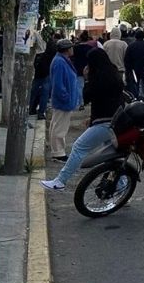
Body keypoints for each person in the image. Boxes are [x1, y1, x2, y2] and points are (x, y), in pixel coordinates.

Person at [40, 49, 126, 191]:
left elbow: (86, 97)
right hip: (115, 121)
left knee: (79, 147)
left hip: (105, 123)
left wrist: (87, 78)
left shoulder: (98, 78)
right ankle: (122, 188)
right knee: (112, 156)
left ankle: (60, 181)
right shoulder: (114, 74)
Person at [49, 39, 81, 161]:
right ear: (67, 49)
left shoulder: (62, 61)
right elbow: (58, 84)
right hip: (63, 101)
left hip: (65, 99)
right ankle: (58, 152)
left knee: (58, 125)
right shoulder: (59, 62)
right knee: (59, 127)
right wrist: (65, 96)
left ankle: (58, 150)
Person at [29, 37, 58, 120]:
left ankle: (31, 109)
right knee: (44, 95)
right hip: (47, 76)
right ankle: (41, 112)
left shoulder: (41, 55)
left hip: (38, 76)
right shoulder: (54, 56)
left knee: (34, 93)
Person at [124, 28, 144, 98]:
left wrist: (129, 69)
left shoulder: (131, 46)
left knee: (135, 85)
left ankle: (136, 98)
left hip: (134, 69)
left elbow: (127, 59)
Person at [71, 31, 96, 107]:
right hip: (89, 68)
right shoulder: (91, 48)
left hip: (78, 68)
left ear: (80, 39)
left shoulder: (75, 48)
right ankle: (90, 100)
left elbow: (72, 57)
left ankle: (80, 102)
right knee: (89, 84)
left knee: (79, 86)